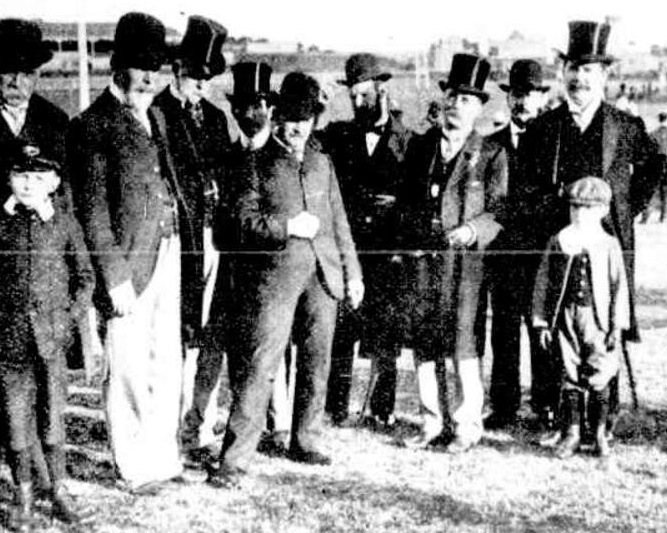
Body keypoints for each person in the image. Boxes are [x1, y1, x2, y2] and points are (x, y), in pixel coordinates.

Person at [206, 71, 363, 488]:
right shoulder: (254, 163)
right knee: (260, 365)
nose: (297, 128)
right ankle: (234, 460)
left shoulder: (322, 162)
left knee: (317, 361)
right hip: (273, 280)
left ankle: (305, 439)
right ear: (276, 117)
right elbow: (240, 222)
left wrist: (353, 273)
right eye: (290, 118)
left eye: (305, 119)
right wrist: (287, 226)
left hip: (323, 277)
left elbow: (339, 222)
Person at [519, 20, 662, 440]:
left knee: (604, 320)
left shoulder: (625, 125)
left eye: (589, 70)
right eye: (573, 69)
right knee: (554, 322)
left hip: (606, 243)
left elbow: (655, 166)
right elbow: (525, 186)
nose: (579, 78)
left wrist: (626, 208)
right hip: (558, 243)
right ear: (562, 73)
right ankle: (554, 414)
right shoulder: (543, 128)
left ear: (604, 76)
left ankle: (603, 418)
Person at [67, 12, 191, 493]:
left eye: (156, 68)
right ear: (117, 66)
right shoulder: (91, 124)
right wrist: (113, 277)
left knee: (165, 359)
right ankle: (134, 466)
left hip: (167, 250)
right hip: (127, 266)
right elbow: (92, 211)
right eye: (141, 67)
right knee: (128, 366)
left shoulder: (155, 115)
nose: (149, 78)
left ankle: (163, 458)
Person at [180, 61, 292, 462]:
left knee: (265, 350)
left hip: (266, 269)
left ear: (271, 109)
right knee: (213, 347)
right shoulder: (226, 156)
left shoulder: (282, 159)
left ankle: (278, 426)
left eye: (258, 104)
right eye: (242, 105)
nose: (249, 112)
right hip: (229, 265)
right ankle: (195, 429)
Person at [400, 54, 507, 452]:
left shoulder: (491, 154)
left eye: (466, 99)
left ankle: (465, 425)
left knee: (464, 341)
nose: (456, 105)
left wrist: (472, 230)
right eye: (452, 96)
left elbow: (499, 211)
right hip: (424, 262)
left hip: (465, 266)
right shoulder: (420, 147)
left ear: (479, 107)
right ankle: (432, 421)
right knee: (425, 340)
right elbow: (404, 203)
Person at [0, 145, 94, 531]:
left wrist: (69, 319)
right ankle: (23, 494)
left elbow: (85, 278)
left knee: (53, 415)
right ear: (10, 179)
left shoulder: (65, 223)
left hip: (52, 339)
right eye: (21, 176)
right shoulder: (1, 223)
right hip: (9, 342)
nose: (28, 185)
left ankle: (58, 489)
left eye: (38, 178)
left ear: (53, 183)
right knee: (14, 418)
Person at [322, 53, 412, 427]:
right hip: (350, 247)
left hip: (388, 251)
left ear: (381, 90)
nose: (359, 103)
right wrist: (320, 104)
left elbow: (414, 196)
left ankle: (382, 409)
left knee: (385, 331)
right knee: (343, 328)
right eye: (353, 96)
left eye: (365, 95)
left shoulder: (408, 140)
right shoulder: (338, 135)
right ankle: (336, 407)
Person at [532, 177, 630, 458]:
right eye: (574, 207)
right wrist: (542, 321)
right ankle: (572, 432)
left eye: (587, 208)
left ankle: (598, 433)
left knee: (600, 370)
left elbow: (619, 287)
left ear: (602, 210)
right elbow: (542, 282)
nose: (579, 214)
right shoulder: (559, 241)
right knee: (569, 371)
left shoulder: (608, 244)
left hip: (597, 319)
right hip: (565, 316)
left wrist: (617, 326)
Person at [152, 15, 232, 350]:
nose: (201, 85)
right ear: (177, 70)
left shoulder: (215, 117)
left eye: (207, 78)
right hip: (179, 231)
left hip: (213, 230)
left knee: (210, 309)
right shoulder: (157, 113)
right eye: (195, 76)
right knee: (178, 312)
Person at [484, 59, 550, 429]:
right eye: (517, 94)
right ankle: (504, 405)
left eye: (530, 94)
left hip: (541, 254)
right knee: (504, 330)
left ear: (542, 98)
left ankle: (545, 405)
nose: (523, 101)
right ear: (508, 98)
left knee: (541, 327)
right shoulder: (491, 144)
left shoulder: (553, 140)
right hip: (504, 253)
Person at [0, 19, 69, 199]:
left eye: (27, 73)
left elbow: (65, 191)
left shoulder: (55, 119)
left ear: (38, 74)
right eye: (9, 70)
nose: (16, 82)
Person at [640, 111, 667, 223]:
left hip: (656, 163)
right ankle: (663, 216)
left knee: (650, 190)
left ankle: (646, 216)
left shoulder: (652, 134)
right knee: (664, 191)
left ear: (658, 120)